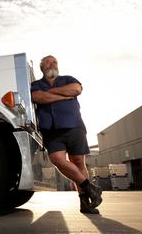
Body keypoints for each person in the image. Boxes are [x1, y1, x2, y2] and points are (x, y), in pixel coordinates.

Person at [30, 55, 102, 214]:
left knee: (78, 162)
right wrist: (64, 96)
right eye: (49, 61)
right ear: (42, 67)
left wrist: (52, 92)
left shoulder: (68, 79)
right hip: (51, 129)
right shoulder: (36, 84)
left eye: (55, 61)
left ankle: (85, 203)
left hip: (74, 126)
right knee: (57, 159)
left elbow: (76, 89)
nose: (53, 63)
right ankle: (90, 187)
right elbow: (39, 97)